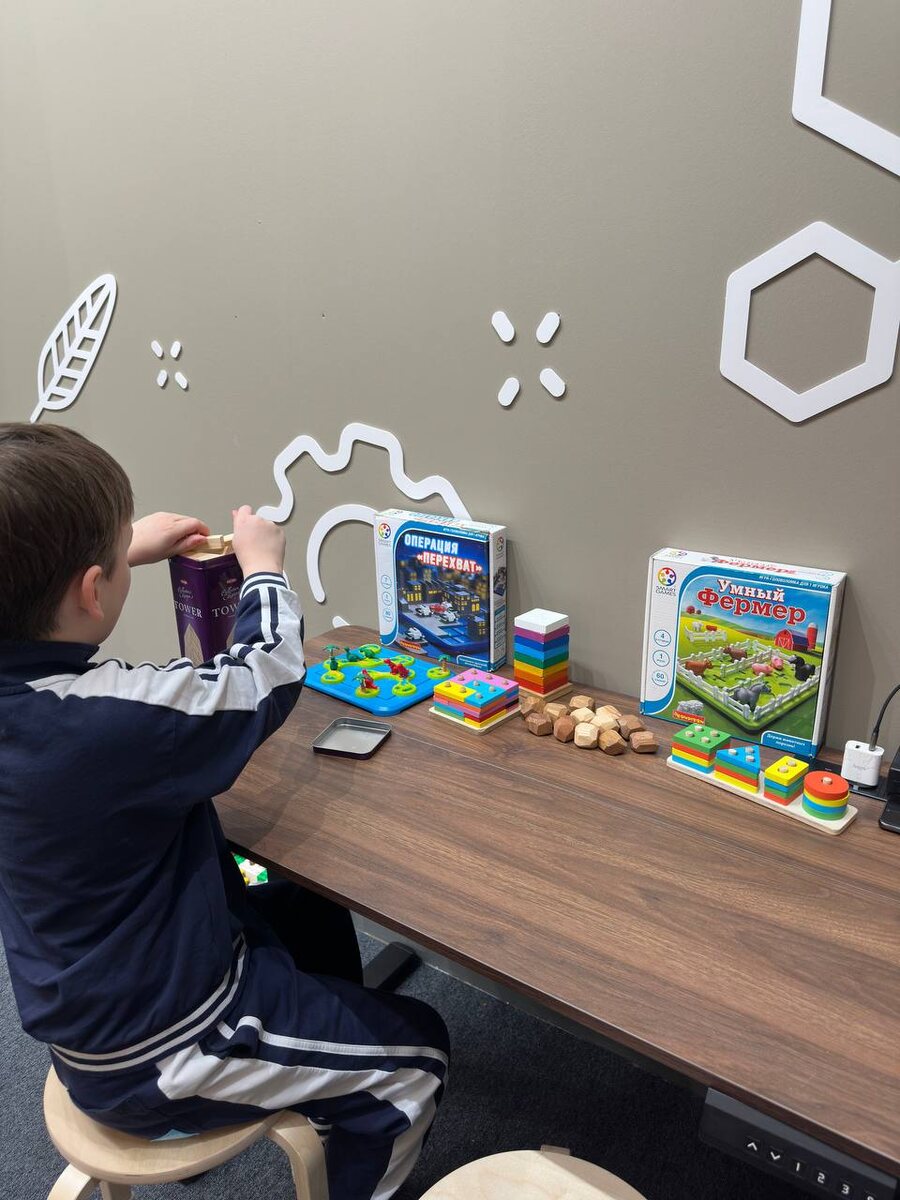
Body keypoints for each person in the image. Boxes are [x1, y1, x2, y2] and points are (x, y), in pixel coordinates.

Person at [0, 423, 449, 1200]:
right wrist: (262, 566)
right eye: (117, 560)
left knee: (289, 894)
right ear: (92, 590)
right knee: (418, 1059)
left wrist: (121, 549)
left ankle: (314, 1050)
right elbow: (263, 676)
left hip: (85, 1015)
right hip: (173, 1043)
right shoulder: (100, 722)